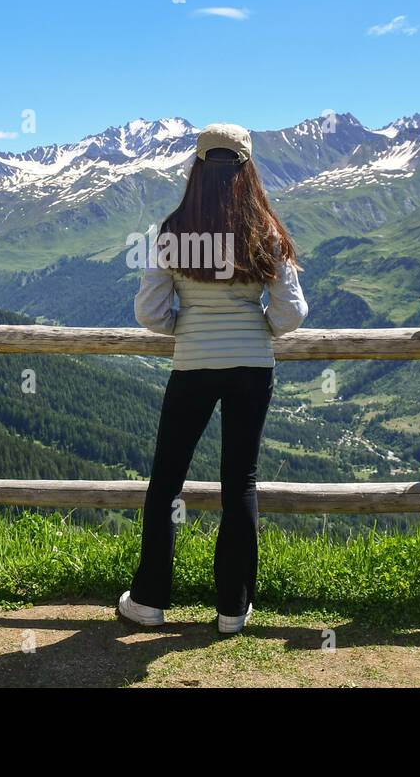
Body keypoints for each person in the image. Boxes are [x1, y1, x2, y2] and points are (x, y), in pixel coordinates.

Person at [118, 123, 308, 634]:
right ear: (247, 168)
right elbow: (292, 312)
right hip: (252, 367)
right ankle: (232, 608)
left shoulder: (174, 230)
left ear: (197, 167)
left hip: (193, 364)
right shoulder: (265, 230)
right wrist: (256, 327)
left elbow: (149, 312)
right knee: (239, 481)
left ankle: (150, 600)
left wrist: (189, 325)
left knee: (166, 483)